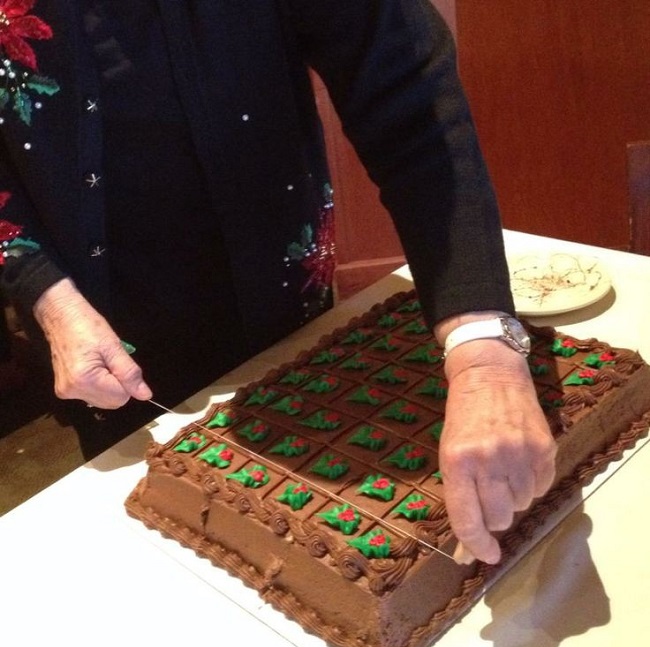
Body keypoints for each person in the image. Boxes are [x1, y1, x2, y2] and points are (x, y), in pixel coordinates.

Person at [0, 0, 555, 564]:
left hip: (289, 313)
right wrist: (47, 296)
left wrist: (484, 352)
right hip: (101, 336)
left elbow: (408, 90)